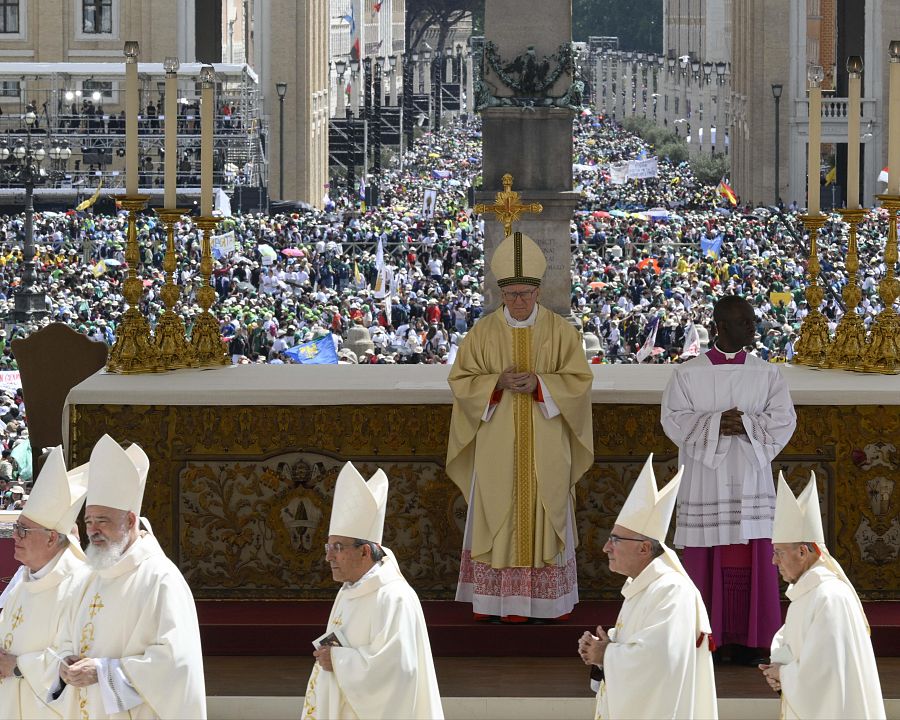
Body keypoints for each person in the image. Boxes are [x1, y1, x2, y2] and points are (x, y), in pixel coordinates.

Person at [446, 231, 593, 621]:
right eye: (512, 295)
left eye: (526, 294)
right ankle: (496, 602)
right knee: (498, 509)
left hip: (546, 443)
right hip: (497, 444)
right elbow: (461, 381)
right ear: (501, 293)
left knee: (546, 507)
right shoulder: (482, 333)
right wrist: (496, 383)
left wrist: (542, 384)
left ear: (539, 291)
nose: (520, 302)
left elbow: (579, 382)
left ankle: (548, 602)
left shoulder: (562, 332)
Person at [661, 295, 796, 662]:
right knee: (707, 557)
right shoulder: (688, 374)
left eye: (752, 321)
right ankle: (710, 639)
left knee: (754, 555)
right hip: (707, 479)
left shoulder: (767, 373)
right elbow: (673, 418)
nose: (752, 327)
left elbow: (784, 419)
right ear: (721, 326)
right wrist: (720, 422)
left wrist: (746, 424)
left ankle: (754, 641)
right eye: (744, 322)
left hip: (751, 479)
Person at [50, 435, 206, 719]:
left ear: (131, 521)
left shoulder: (161, 579)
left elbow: (176, 663)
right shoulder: (89, 576)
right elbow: (64, 638)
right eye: (88, 522)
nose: (93, 531)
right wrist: (64, 662)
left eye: (103, 521)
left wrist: (102, 671)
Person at [578, 455, 717, 719]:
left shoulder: (672, 591)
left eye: (615, 540)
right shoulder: (643, 587)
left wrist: (606, 653)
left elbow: (659, 660)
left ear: (644, 548)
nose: (606, 547)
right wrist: (602, 654)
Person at [302, 462, 443, 719]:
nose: (329, 557)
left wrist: (339, 661)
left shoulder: (393, 597)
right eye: (328, 547)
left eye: (338, 548)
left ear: (365, 551)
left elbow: (398, 672)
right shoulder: (349, 590)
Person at [760, 472, 885, 719]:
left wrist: (783, 675)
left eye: (779, 553)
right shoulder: (808, 592)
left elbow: (825, 673)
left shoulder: (829, 597)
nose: (774, 561)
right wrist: (780, 669)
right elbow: (794, 644)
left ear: (803, 552)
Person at [0, 446, 90, 719]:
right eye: (16, 528)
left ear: (52, 538)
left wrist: (19, 666)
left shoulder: (81, 585)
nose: (14, 536)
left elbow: (82, 662)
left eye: (23, 530)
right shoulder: (26, 578)